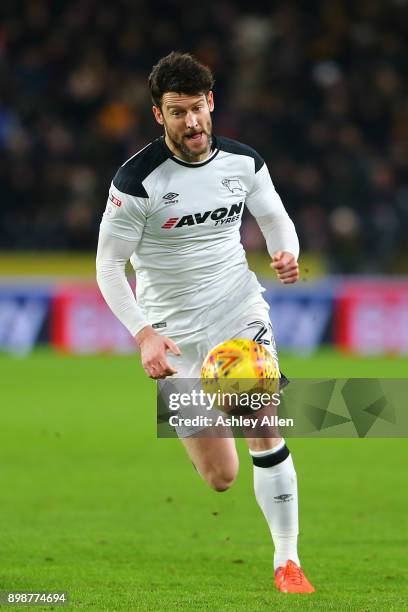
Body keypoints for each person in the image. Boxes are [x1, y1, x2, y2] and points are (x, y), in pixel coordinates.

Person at [96, 51, 315, 594]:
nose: (191, 123)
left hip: (236, 310)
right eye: (177, 112)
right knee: (222, 477)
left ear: (211, 103)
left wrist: (284, 252)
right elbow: (106, 264)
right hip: (173, 337)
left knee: (258, 413)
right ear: (158, 115)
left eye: (197, 108)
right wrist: (144, 333)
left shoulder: (242, 163)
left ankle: (287, 562)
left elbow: (275, 218)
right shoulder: (137, 182)